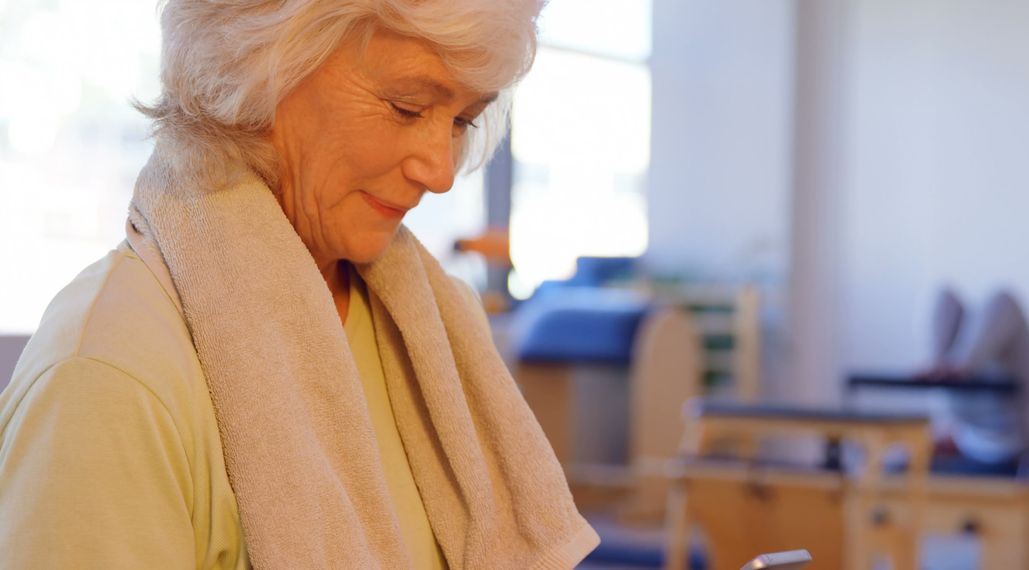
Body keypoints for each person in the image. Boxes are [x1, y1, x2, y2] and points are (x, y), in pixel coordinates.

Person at [0, 1, 600, 568]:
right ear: (258, 63)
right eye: (407, 106)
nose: (440, 172)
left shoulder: (436, 336)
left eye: (463, 119)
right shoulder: (107, 376)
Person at [926, 288, 1029, 467]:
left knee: (1003, 300)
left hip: (1014, 431)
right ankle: (949, 364)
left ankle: (954, 364)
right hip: (973, 425)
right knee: (946, 297)